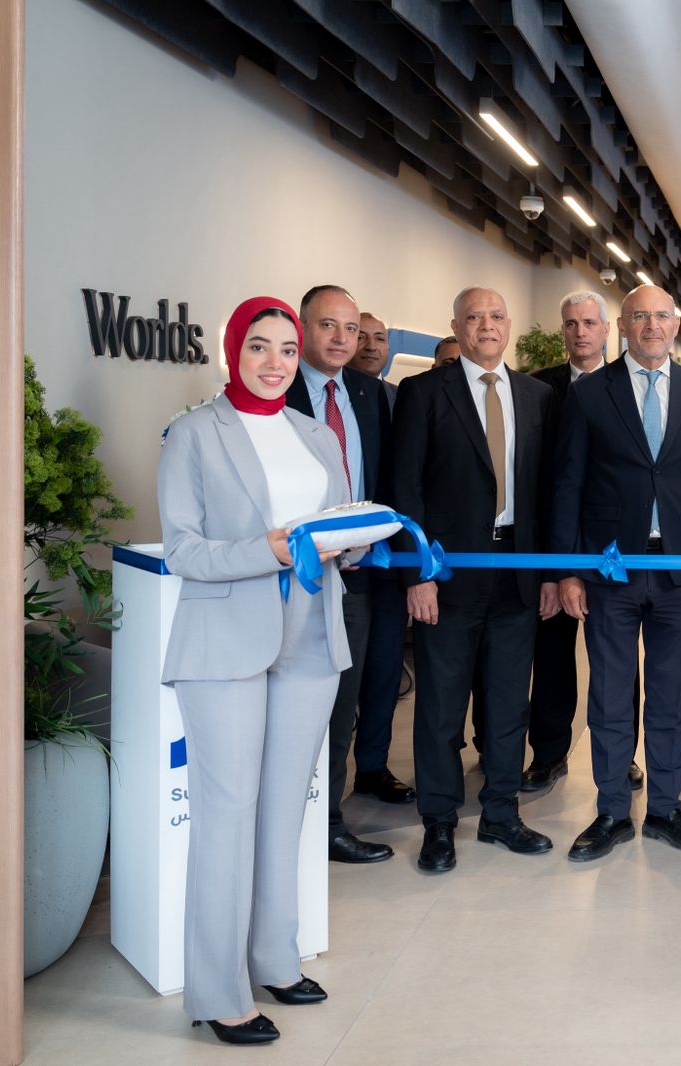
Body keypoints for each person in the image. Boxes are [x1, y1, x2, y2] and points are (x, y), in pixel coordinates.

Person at [158, 297, 351, 1044]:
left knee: (284, 809)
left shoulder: (314, 434)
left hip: (310, 639)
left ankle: (274, 957)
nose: (275, 362)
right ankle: (217, 993)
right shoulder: (193, 433)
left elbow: (336, 524)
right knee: (228, 813)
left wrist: (355, 539)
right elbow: (184, 549)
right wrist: (266, 550)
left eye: (286, 349)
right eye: (259, 346)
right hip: (225, 643)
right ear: (233, 351)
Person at [549, 284, 681, 861]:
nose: (652, 326)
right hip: (608, 569)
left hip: (679, 570)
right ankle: (612, 811)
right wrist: (570, 570)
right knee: (609, 694)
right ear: (621, 325)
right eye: (640, 316)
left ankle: (667, 808)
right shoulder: (589, 393)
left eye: (662, 316)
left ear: (676, 325)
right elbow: (569, 483)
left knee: (671, 694)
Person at [389, 286, 557, 872]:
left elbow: (548, 491)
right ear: (456, 326)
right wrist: (417, 574)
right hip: (447, 572)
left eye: (496, 316)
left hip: (517, 570)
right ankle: (439, 820)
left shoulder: (537, 396)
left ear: (509, 325)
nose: (486, 325)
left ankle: (501, 813)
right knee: (440, 703)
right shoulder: (423, 393)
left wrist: (551, 573)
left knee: (509, 703)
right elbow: (405, 488)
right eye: (474, 317)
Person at [283, 285, 399, 864]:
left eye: (350, 329)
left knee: (346, 699)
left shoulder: (369, 393)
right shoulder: (277, 389)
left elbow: (384, 477)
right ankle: (304, 824)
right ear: (303, 328)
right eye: (328, 325)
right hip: (298, 575)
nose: (341, 338)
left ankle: (328, 819)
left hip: (363, 572)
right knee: (308, 702)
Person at [524, 290, 648, 793]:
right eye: (571, 323)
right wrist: (557, 565)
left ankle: (624, 756)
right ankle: (549, 753)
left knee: (619, 663)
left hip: (614, 551)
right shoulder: (538, 389)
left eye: (590, 323)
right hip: (558, 543)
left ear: (607, 329)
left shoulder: (632, 384)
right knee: (553, 656)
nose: (580, 332)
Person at [346, 309, 414, 810]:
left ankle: (372, 766)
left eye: (379, 338)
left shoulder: (399, 399)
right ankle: (323, 783)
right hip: (333, 563)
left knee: (385, 669)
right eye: (360, 335)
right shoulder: (307, 399)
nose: (370, 346)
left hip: (388, 560)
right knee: (339, 678)